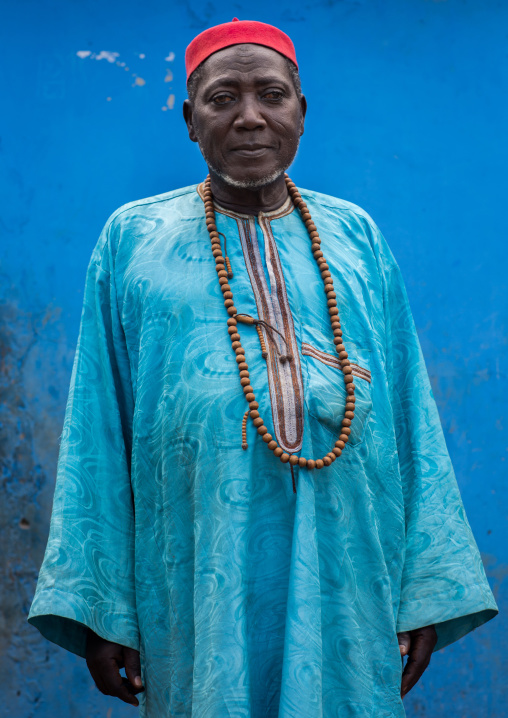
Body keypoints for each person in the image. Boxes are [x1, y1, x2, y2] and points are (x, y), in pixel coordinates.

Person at [28, 18, 497, 718]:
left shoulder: (357, 236)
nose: (250, 117)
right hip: (195, 576)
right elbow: (99, 427)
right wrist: (103, 609)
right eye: (223, 98)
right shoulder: (133, 239)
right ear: (191, 120)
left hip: (350, 571)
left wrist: (424, 589)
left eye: (271, 95)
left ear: (300, 112)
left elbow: (410, 419)